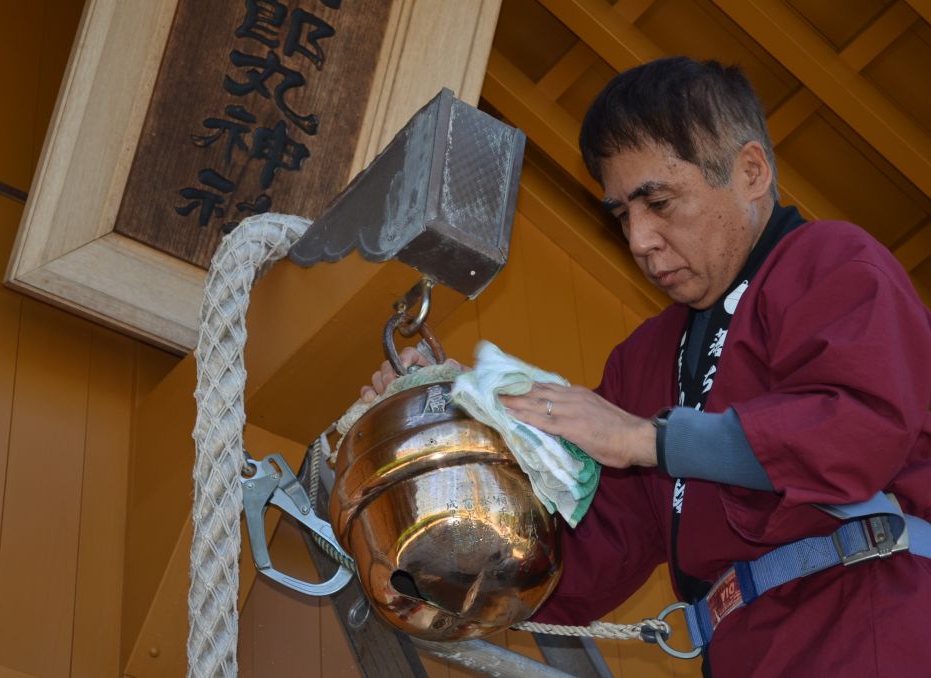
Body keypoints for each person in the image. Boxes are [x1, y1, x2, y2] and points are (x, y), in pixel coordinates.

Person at [361, 56, 930, 677]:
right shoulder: (644, 360)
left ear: (750, 172)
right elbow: (578, 569)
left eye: (658, 202)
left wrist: (649, 440)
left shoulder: (834, 262)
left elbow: (857, 433)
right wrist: (446, 434)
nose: (639, 241)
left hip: (877, 621)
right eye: (622, 215)